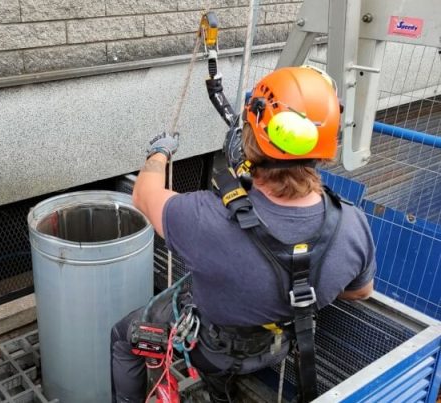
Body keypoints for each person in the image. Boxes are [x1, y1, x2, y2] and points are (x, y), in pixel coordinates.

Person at [111, 66, 376, 403]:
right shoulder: (351, 224)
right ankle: (220, 392)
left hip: (211, 348)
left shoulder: (207, 217)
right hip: (279, 347)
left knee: (123, 336)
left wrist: (159, 152)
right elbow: (361, 291)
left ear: (249, 139)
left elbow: (143, 195)